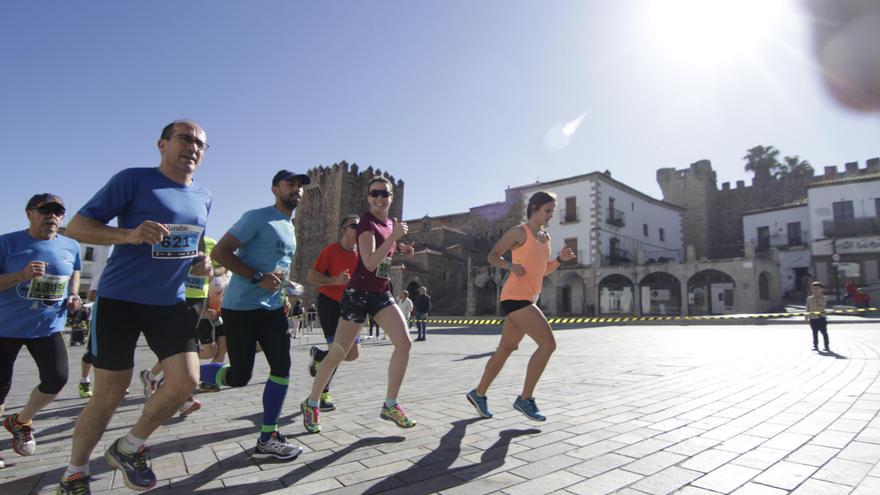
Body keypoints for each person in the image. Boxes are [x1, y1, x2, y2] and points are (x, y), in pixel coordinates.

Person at [57, 120, 213, 494]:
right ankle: (74, 474)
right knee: (110, 394)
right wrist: (127, 234)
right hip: (121, 299)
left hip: (169, 302)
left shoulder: (204, 196)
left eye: (201, 144)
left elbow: (191, 245)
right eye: (185, 139)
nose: (193, 147)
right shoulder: (133, 179)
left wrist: (199, 263)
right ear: (163, 144)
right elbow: (78, 226)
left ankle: (129, 446)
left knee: (186, 383)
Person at [197, 169, 309, 461]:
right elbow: (220, 252)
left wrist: (285, 290)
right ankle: (183, 375)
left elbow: (277, 268)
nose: (296, 189)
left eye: (300, 186)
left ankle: (267, 437)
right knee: (238, 376)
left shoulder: (290, 226)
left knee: (282, 367)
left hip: (272, 309)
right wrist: (256, 276)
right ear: (275, 189)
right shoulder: (257, 217)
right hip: (242, 308)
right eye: (290, 184)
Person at [300, 176, 416, 433]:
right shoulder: (366, 222)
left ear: (391, 197)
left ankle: (390, 404)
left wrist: (401, 248)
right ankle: (312, 402)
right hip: (359, 295)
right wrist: (394, 237)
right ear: (368, 197)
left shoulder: (388, 224)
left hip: (381, 294)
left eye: (384, 193)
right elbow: (371, 261)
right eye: (374, 193)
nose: (379, 198)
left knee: (405, 343)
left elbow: (385, 256)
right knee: (340, 352)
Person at [466, 191, 575, 422]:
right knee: (548, 344)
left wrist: (560, 261)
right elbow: (492, 256)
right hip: (515, 297)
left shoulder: (545, 238)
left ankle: (478, 393)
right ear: (534, 208)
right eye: (547, 211)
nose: (550, 216)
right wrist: (510, 266)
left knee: (505, 349)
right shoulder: (519, 232)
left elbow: (542, 270)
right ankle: (525, 398)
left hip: (529, 297)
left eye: (552, 212)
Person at [0, 194, 81, 467]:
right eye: (45, 210)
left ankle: (21, 421)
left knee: (56, 379)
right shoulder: (7, 243)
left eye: (58, 211)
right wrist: (20, 276)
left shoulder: (71, 246)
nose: (52, 216)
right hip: (5, 327)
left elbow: (75, 271)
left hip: (47, 327)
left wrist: (73, 294)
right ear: (29, 213)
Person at [138, 235, 217, 416]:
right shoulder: (177, 234)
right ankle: (182, 397)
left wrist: (212, 272)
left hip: (199, 295)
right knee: (184, 348)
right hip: (179, 293)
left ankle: (151, 377)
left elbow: (220, 271)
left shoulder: (212, 243)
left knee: (187, 348)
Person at [306, 215, 361, 412]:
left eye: (361, 225)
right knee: (337, 350)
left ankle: (320, 356)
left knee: (352, 354)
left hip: (351, 307)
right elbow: (312, 276)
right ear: (342, 230)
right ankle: (323, 393)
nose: (358, 228)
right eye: (354, 225)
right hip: (329, 303)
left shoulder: (362, 254)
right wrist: (335, 280)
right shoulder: (331, 250)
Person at [806, 281, 830, 352]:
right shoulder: (809, 298)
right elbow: (807, 308)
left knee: (824, 332)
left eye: (817, 288)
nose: (815, 290)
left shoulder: (824, 298)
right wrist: (806, 317)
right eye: (813, 289)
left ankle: (826, 346)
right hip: (813, 318)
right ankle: (815, 345)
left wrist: (817, 298)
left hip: (821, 317)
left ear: (821, 289)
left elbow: (823, 305)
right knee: (814, 332)